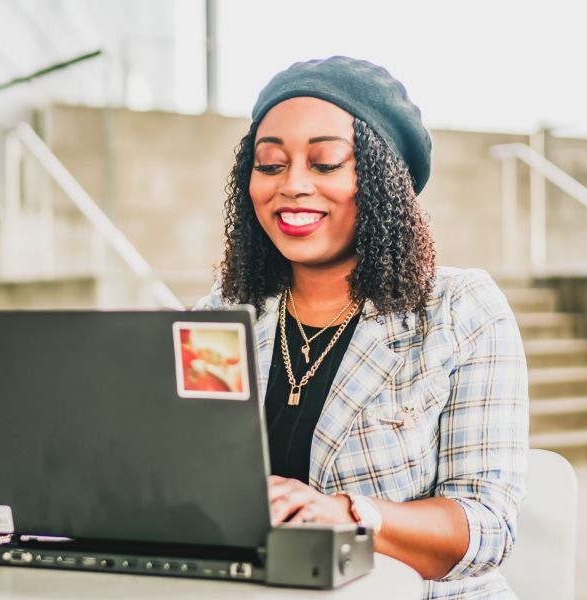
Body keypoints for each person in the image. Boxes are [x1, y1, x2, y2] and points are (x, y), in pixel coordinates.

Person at [196, 56, 528, 599]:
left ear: (381, 182)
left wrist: (350, 514)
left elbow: (489, 527)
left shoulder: (460, 309)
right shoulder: (220, 315)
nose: (293, 185)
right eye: (271, 164)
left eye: (326, 163)